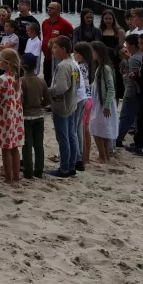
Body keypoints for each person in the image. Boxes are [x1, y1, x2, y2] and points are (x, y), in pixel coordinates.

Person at [46, 37, 80, 177]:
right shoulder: (73, 63)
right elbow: (77, 83)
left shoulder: (63, 66)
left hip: (62, 106)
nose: (53, 50)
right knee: (71, 135)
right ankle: (72, 165)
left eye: (55, 48)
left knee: (63, 137)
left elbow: (61, 87)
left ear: (63, 49)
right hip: (71, 103)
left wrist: (48, 91)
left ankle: (64, 167)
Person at [0, 49, 26, 183]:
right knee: (15, 148)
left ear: (6, 63)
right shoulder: (18, 78)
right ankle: (16, 177)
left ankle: (8, 177)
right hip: (17, 116)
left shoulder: (1, 80)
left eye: (0, 60)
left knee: (5, 149)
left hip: (4, 117)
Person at [88, 41, 118, 163]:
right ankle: (105, 155)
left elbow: (111, 88)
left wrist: (106, 105)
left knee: (96, 128)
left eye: (93, 51)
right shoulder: (100, 68)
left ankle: (102, 155)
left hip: (103, 103)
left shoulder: (104, 69)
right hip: (100, 102)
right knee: (102, 129)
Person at [20, 55, 49, 179]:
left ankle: (28, 171)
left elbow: (20, 100)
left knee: (27, 145)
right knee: (38, 145)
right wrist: (40, 105)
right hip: (39, 115)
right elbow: (47, 99)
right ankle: (39, 170)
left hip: (26, 116)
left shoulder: (22, 81)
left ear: (23, 65)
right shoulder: (41, 81)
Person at [116, 34, 143, 148]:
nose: (126, 48)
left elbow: (135, 77)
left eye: (127, 45)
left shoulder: (134, 59)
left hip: (132, 91)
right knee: (135, 116)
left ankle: (118, 139)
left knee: (126, 116)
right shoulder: (139, 56)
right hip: (136, 91)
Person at [41, 2, 74, 88]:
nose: (49, 9)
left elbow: (69, 43)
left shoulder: (66, 25)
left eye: (52, 8)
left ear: (58, 10)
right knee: (46, 79)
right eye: (48, 7)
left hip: (59, 59)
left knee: (57, 80)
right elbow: (44, 37)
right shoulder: (45, 23)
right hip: (47, 57)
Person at [72, 42, 94, 171]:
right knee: (80, 129)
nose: (73, 55)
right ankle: (81, 156)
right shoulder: (87, 65)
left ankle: (79, 156)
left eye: (75, 53)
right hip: (87, 97)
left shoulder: (81, 67)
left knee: (77, 129)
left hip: (82, 98)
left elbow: (76, 82)